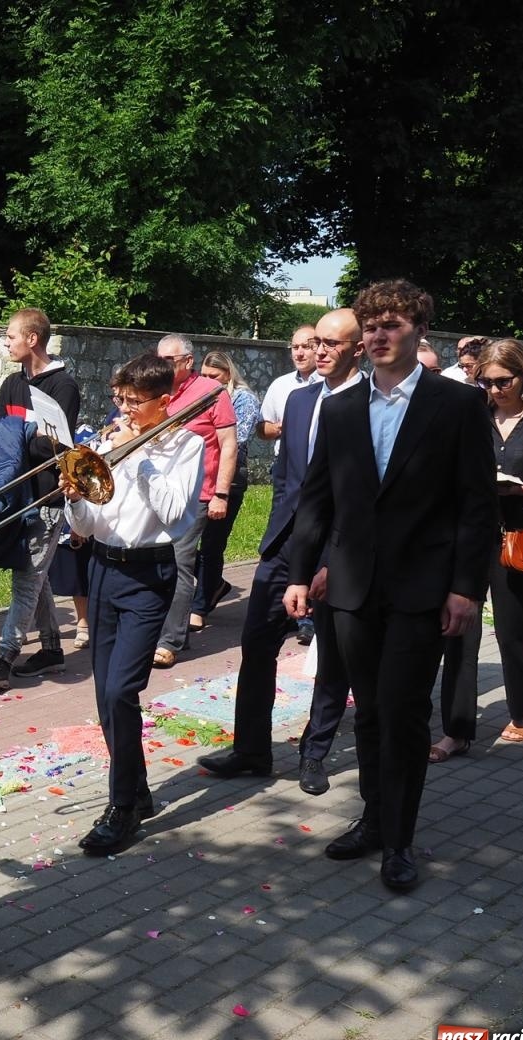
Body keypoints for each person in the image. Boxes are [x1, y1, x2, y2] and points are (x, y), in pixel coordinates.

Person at [285, 279, 499, 892]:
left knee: (404, 712)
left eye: (392, 325)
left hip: (421, 586)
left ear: (418, 331)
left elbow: (477, 505)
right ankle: (374, 820)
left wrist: (465, 588)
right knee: (370, 711)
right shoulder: (341, 406)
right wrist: (301, 572)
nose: (379, 335)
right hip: (351, 588)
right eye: (370, 325)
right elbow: (317, 499)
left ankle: (400, 843)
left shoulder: (455, 404)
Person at [199, 308, 362, 797]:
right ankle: (251, 749)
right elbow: (288, 480)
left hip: (340, 550)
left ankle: (313, 753)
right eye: (315, 343)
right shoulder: (298, 400)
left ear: (356, 348)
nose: (319, 351)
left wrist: (334, 559)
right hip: (284, 544)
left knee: (331, 655)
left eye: (331, 343)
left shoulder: (370, 404)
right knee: (257, 645)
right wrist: (276, 541)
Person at [60, 352, 203, 855]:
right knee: (105, 696)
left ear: (164, 401)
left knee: (122, 689)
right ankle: (137, 790)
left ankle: (121, 808)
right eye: (119, 399)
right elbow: (85, 527)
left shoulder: (187, 445)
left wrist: (137, 455)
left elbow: (176, 515)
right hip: (102, 568)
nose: (122, 410)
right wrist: (74, 495)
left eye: (134, 402)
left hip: (148, 573)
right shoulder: (104, 441)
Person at [434, 340, 523, 759]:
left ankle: (522, 711)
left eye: (503, 381)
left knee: (514, 630)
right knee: (459, 630)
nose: (495, 390)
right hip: (468, 536)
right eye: (486, 381)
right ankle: (456, 730)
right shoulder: (470, 415)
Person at [0, 308, 81, 689]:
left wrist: (21, 435)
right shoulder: (12, 383)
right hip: (16, 494)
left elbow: (54, 448)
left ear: (32, 339)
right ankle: (51, 649)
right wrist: (27, 433)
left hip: (46, 496)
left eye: (11, 336)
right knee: (35, 573)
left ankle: (4, 657)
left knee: (27, 578)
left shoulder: (63, 386)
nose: (6, 342)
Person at [152, 334, 235, 667]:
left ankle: (170, 640)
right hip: (159, 489)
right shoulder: (156, 390)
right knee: (157, 560)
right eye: (159, 359)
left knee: (180, 562)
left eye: (169, 360)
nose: (162, 366)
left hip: (197, 493)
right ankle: (166, 630)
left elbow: (228, 445)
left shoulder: (212, 393)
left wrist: (221, 494)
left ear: (188, 361)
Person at [189, 350, 260, 630]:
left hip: (229, 478)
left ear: (228, 374)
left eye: (213, 376)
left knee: (212, 544)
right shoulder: (201, 396)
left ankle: (201, 604)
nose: (207, 381)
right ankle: (214, 584)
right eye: (203, 375)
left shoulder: (244, 399)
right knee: (182, 542)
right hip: (200, 474)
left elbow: (236, 438)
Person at [258, 325, 318, 448]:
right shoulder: (280, 385)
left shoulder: (331, 383)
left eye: (306, 347)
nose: (299, 353)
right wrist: (280, 428)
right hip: (284, 461)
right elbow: (261, 429)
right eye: (295, 347)